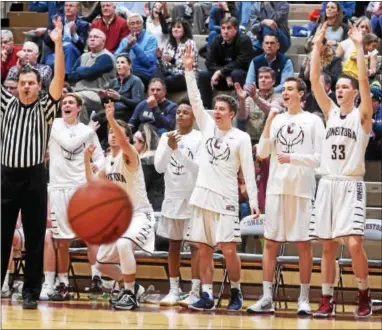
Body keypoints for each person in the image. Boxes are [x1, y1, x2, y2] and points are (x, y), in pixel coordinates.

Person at [182, 44, 260, 311]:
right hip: (202, 194)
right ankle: (206, 294)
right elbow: (194, 99)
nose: (216, 112)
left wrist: (254, 201)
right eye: (214, 108)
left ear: (231, 112)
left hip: (226, 197)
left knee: (228, 248)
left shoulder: (241, 137)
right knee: (203, 248)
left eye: (221, 109)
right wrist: (189, 71)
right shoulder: (205, 126)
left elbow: (248, 171)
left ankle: (236, 292)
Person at [309, 22, 374, 318]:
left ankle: (363, 293)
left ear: (355, 93)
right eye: (337, 87)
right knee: (327, 247)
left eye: (344, 87)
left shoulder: (362, 115)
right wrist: (316, 47)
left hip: (351, 184)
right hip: (327, 184)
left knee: (354, 243)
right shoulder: (330, 113)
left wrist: (359, 47)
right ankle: (326, 299)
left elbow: (363, 80)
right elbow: (313, 82)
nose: (339, 90)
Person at [246, 76, 326, 315]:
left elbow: (322, 160)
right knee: (270, 243)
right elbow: (261, 152)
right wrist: (270, 118)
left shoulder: (313, 121)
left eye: (291, 89)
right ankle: (267, 297)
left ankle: (303, 298)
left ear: (302, 94)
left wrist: (294, 158)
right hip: (276, 189)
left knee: (303, 245)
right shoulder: (277, 119)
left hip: (301, 190)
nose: (286, 93)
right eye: (284, 90)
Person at [1, 16, 64, 310]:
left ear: (40, 86)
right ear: (17, 85)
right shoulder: (5, 103)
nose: (26, 87)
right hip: (6, 176)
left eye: (31, 83)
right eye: (22, 83)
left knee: (36, 237)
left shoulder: (46, 108)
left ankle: (30, 291)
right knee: (2, 234)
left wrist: (59, 43)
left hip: (35, 176)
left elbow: (60, 80)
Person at [85, 102, 155, 311]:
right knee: (101, 262)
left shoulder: (130, 154)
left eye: (118, 132)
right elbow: (92, 183)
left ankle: (129, 292)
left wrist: (112, 119)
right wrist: (85, 160)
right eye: (111, 132)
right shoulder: (109, 161)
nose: (113, 135)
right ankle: (135, 289)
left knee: (124, 244)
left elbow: (124, 141)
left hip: (141, 215)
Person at [48, 93, 105, 301]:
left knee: (90, 236)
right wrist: (89, 130)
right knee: (62, 241)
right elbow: (69, 144)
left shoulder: (86, 131)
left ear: (79, 108)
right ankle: (63, 284)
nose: (66, 105)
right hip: (59, 187)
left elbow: (101, 157)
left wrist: (94, 168)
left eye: (71, 102)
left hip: (82, 188)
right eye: (64, 103)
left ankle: (96, 279)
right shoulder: (54, 124)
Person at [154, 101, 202, 307]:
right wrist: (169, 148)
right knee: (173, 245)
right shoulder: (166, 137)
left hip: (192, 198)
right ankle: (174, 289)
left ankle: (195, 290)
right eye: (178, 112)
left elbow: (198, 170)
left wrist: (178, 151)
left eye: (185, 112)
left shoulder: (200, 138)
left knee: (195, 246)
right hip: (172, 197)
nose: (180, 115)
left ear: (193, 117)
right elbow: (158, 167)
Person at [198, 17, 254, 109]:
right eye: (223, 28)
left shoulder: (244, 40)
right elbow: (209, 62)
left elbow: (241, 62)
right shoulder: (217, 40)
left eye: (229, 28)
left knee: (236, 73)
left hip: (239, 78)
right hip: (223, 79)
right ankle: (206, 107)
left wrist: (221, 72)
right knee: (203, 74)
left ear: (235, 29)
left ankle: (240, 106)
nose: (225, 31)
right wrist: (224, 74)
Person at [43, 1, 89, 73]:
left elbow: (82, 46)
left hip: (74, 53)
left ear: (78, 8)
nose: (67, 8)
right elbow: (46, 41)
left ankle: (66, 78)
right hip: (56, 51)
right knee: (50, 62)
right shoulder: (55, 20)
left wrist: (74, 33)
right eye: (66, 6)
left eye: (71, 6)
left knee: (69, 47)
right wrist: (57, 30)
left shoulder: (83, 24)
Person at [115, 13, 158, 88]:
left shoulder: (151, 39)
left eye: (138, 23)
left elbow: (148, 62)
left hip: (143, 73)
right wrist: (127, 48)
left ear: (142, 24)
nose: (135, 26)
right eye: (132, 24)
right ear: (128, 27)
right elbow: (115, 58)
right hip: (126, 72)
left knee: (128, 77)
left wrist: (134, 46)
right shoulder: (125, 40)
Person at [156, 18, 198, 94]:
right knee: (156, 71)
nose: (175, 29)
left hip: (185, 75)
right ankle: (157, 88)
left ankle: (160, 92)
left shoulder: (189, 43)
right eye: (173, 27)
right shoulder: (170, 44)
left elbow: (187, 65)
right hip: (171, 72)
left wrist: (172, 60)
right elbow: (165, 65)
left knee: (168, 80)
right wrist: (160, 58)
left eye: (179, 27)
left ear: (184, 30)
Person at [133, 124, 164, 212]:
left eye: (134, 142)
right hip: (161, 203)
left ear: (142, 142)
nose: (132, 145)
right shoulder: (158, 157)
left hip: (151, 205)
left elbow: (142, 186)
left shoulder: (145, 161)